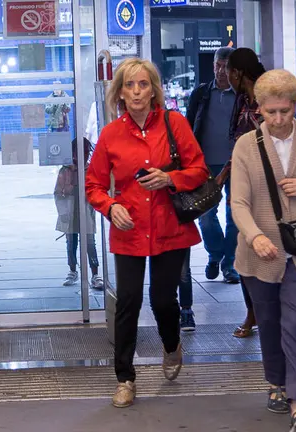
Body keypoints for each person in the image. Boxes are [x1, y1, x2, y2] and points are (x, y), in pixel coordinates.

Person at [85, 58, 209, 409]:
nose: (137, 92)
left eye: (143, 84)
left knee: (162, 300)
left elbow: (199, 169)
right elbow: (93, 184)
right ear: (119, 92)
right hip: (130, 228)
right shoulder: (110, 134)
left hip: (170, 227)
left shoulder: (175, 123)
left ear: (154, 89)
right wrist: (111, 207)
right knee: (128, 302)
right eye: (129, 85)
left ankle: (171, 346)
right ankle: (125, 378)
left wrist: (172, 178)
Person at [231, 69, 296, 432]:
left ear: (295, 105)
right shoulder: (246, 146)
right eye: (270, 112)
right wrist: (254, 236)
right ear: (259, 108)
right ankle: (276, 382)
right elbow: (239, 203)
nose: (278, 119)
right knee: (271, 322)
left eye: (285, 111)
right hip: (259, 255)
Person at [179, 46, 237, 332]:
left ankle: (228, 264)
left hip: (237, 164)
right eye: (216, 65)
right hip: (205, 167)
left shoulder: (243, 96)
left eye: (225, 66)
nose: (219, 70)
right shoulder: (201, 94)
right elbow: (189, 129)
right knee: (206, 216)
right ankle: (216, 253)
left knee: (236, 217)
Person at [226, 47, 267, 339]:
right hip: (243, 186)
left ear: (239, 73)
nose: (226, 76)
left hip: (268, 189)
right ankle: (253, 313)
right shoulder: (242, 100)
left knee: (268, 252)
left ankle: (266, 313)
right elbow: (239, 143)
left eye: (229, 71)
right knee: (245, 252)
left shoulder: (268, 99)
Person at [55, 137, 102, 289]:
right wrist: (62, 212)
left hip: (86, 211)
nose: (85, 155)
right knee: (71, 243)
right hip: (70, 212)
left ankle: (95, 274)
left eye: (87, 151)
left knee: (89, 243)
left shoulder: (91, 170)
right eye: (81, 152)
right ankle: (72, 270)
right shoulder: (65, 171)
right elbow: (58, 193)